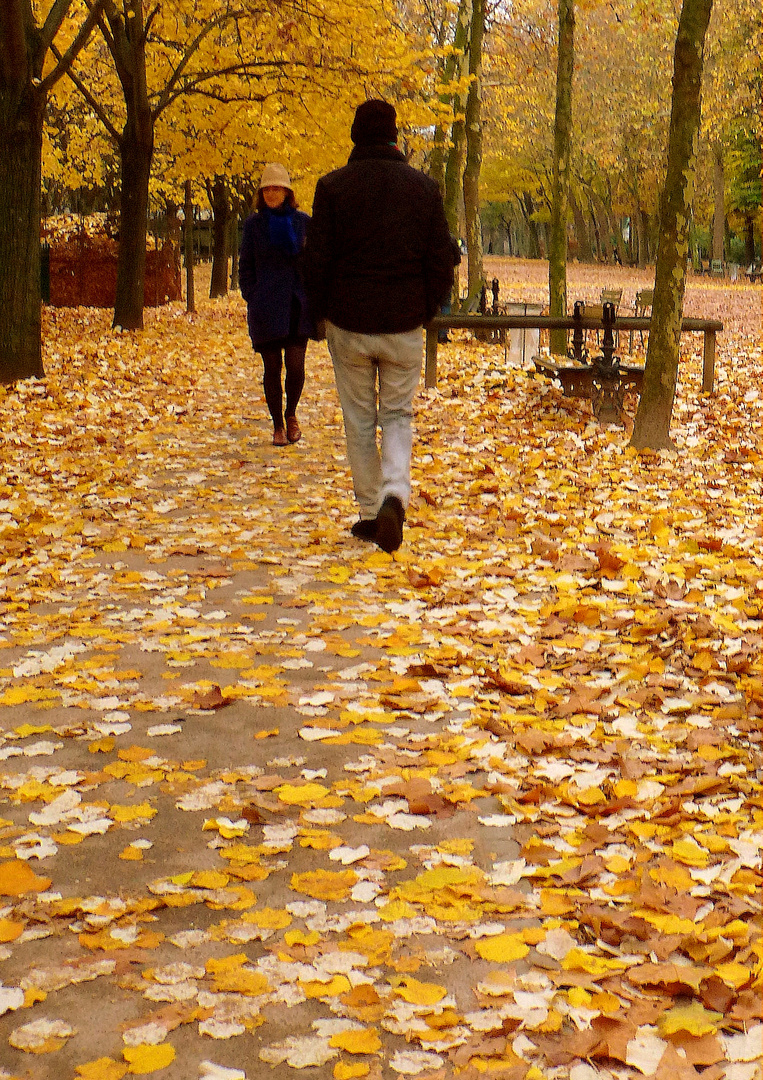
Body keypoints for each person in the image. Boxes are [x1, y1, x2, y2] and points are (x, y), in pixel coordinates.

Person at [303, 99, 456, 553]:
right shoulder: (424, 190)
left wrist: (319, 311)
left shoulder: (332, 188)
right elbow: (440, 259)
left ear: (355, 135)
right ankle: (395, 495)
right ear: (394, 136)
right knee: (397, 414)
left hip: (349, 322)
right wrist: (428, 308)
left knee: (358, 418)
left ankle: (371, 512)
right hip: (404, 322)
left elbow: (318, 258)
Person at [239, 163, 312, 446]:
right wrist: (253, 295)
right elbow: (246, 266)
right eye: (267, 188)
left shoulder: (303, 222)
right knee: (272, 368)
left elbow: (313, 260)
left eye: (277, 188)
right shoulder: (253, 225)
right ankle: (278, 425)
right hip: (266, 307)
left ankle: (291, 413)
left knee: (295, 366)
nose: (271, 193)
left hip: (296, 304)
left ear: (287, 191)